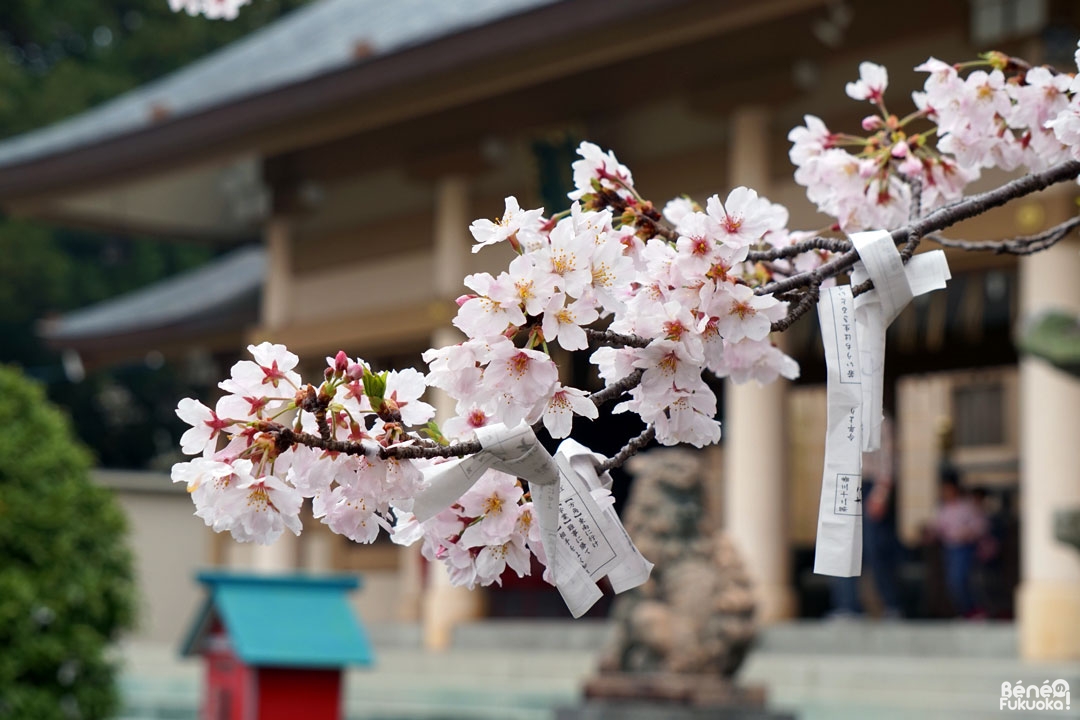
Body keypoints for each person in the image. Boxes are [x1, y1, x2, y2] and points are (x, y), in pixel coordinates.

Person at [928, 470, 989, 618]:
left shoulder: (967, 507)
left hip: (965, 549)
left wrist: (967, 533)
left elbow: (981, 526)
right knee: (952, 582)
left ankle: (974, 610)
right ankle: (964, 611)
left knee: (961, 579)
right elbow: (938, 527)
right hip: (949, 549)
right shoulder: (943, 509)